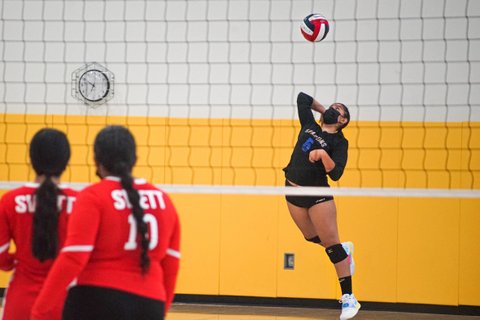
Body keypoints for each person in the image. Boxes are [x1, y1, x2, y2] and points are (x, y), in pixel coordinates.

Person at [31, 125, 181, 320]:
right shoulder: (164, 201)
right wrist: (161, 308)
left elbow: (74, 258)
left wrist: (40, 309)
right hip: (150, 303)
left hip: (96, 299)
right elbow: (171, 266)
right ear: (134, 160)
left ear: (96, 161)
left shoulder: (93, 197)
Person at [283, 92, 360, 320]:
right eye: (332, 107)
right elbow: (302, 98)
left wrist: (323, 154)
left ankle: (349, 298)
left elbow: (336, 173)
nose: (332, 110)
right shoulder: (310, 125)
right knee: (310, 237)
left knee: (331, 246)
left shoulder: (339, 142)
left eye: (338, 110)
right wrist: (324, 110)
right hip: (292, 189)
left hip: (318, 195)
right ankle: (344, 251)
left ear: (343, 121)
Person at [0, 128, 76, 320]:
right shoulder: (80, 202)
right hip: (66, 302)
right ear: (66, 162)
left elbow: (0, 258)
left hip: (20, 303)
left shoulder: (10, 201)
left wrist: (19, 258)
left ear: (32, 159)